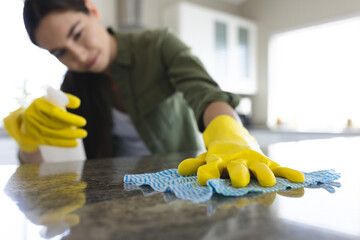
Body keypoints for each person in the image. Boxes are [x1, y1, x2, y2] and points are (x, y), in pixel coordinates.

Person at [3, 0, 304, 188]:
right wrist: (28, 138)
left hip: (183, 182)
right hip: (118, 192)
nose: (78, 56)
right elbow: (45, 167)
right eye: (60, 52)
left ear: (92, 10)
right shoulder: (74, 83)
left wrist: (230, 136)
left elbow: (206, 94)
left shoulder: (160, 45)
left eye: (78, 34)